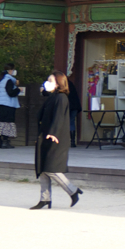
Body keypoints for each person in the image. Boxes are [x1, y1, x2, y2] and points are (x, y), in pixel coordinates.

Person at [30, 72, 82, 209]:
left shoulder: (61, 98)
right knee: (43, 168)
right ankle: (45, 198)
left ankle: (73, 190)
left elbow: (59, 118)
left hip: (55, 137)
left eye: (50, 80)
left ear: (58, 83)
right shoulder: (53, 96)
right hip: (46, 136)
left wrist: (53, 133)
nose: (47, 82)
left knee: (51, 168)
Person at [0, 63, 19, 149]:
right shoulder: (9, 80)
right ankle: (5, 141)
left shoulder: (0, 79)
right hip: (8, 104)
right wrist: (18, 89)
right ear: (10, 70)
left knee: (1, 122)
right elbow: (10, 93)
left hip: (0, 103)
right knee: (7, 123)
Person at [66, 79, 81, 147]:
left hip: (67, 107)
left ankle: (64, 141)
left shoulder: (61, 87)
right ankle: (72, 141)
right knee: (72, 122)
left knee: (63, 122)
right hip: (75, 106)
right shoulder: (71, 84)